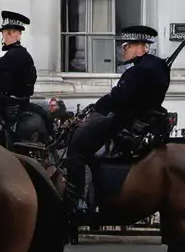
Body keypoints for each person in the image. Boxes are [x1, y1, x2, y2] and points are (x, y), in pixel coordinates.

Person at [64, 25, 170, 220]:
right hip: (146, 119)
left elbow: (119, 98)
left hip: (126, 121)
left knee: (77, 147)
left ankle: (77, 199)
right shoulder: (158, 66)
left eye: (127, 46)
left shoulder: (137, 72)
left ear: (141, 47)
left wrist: (97, 107)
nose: (123, 50)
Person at [0, 11, 37, 127]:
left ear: (17, 34)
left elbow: (2, 85)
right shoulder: (19, 53)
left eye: (8, 33)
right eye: (4, 33)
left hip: (10, 107)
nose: (5, 36)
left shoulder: (14, 55)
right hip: (16, 103)